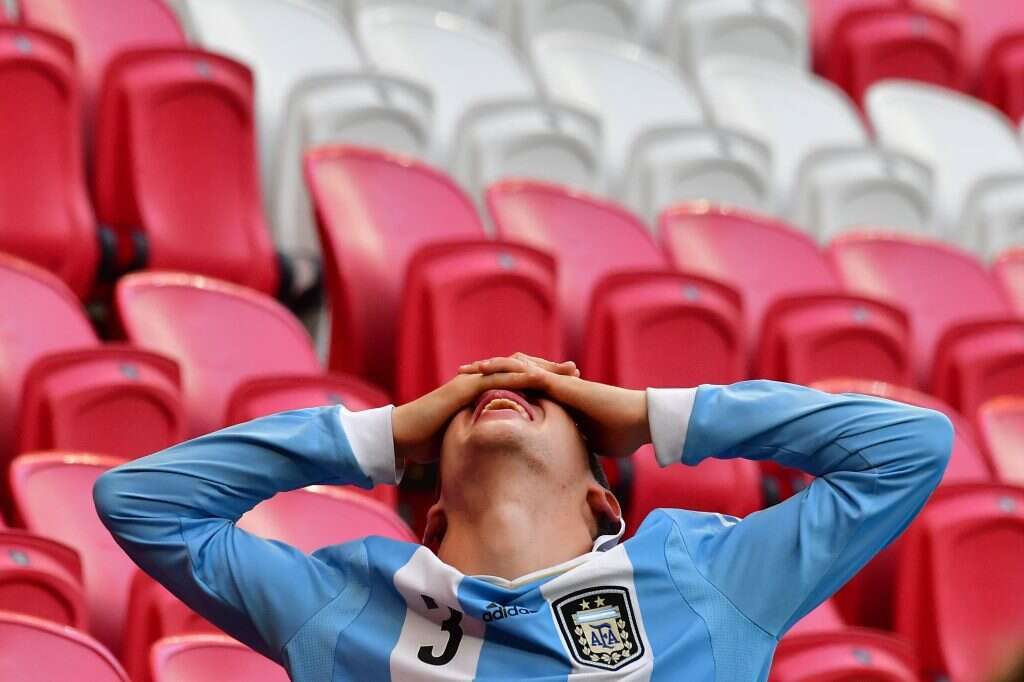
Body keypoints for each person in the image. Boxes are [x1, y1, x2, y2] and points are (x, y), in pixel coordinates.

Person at [94, 353, 953, 680]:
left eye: (553, 405)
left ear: (602, 503)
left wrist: (655, 415)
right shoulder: (348, 604)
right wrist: (383, 434)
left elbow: (912, 448)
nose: (501, 389)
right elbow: (139, 503)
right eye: (471, 399)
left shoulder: (706, 583)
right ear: (426, 525)